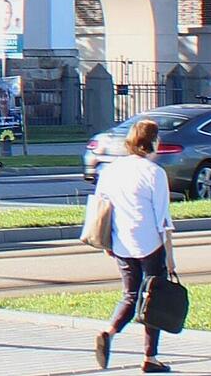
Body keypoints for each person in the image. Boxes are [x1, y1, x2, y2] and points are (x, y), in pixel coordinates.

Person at [87, 117, 176, 373]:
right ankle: (150, 357)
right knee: (154, 300)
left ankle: (109, 331)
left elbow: (101, 206)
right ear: (152, 142)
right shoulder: (155, 173)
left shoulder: (112, 170)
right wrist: (169, 255)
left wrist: (107, 241)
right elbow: (163, 219)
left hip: (121, 242)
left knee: (130, 294)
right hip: (150, 244)